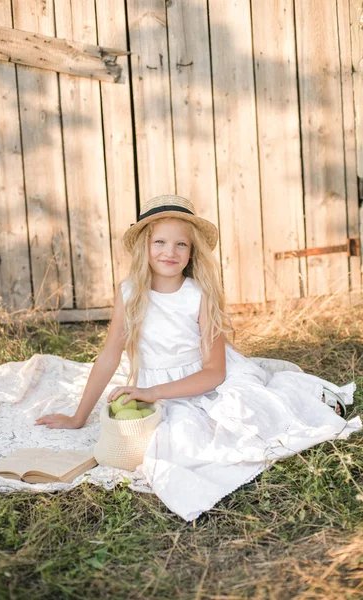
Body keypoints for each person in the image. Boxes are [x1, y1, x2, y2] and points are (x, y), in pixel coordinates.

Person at [35, 194, 360, 520]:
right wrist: (79, 417)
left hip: (203, 382)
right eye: (160, 241)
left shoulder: (199, 295)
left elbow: (214, 373)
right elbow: (108, 356)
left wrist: (151, 393)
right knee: (171, 441)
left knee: (244, 418)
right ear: (144, 247)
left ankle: (315, 399)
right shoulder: (129, 292)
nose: (169, 252)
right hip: (159, 386)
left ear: (192, 252)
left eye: (181, 245)